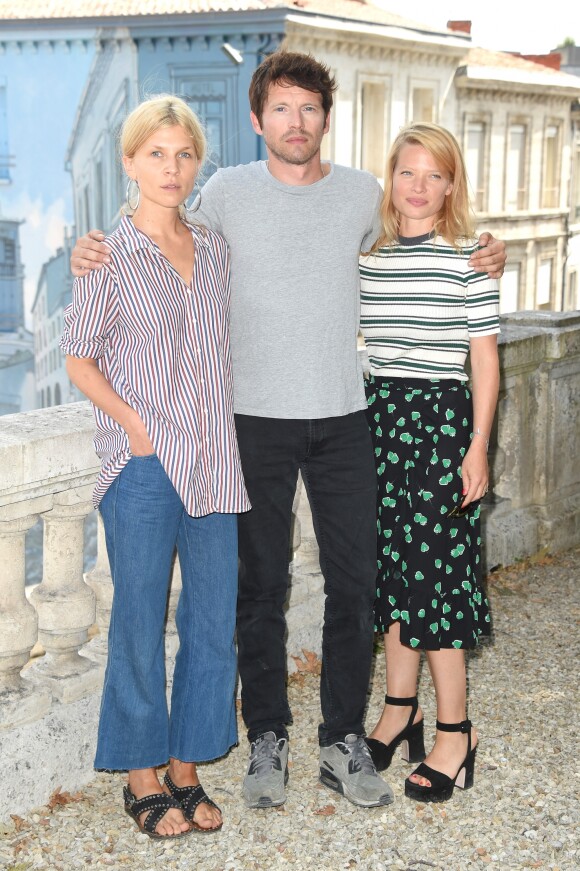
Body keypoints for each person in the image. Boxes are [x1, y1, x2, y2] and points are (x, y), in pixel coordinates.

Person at [69, 52, 506, 810]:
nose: (295, 121)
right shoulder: (226, 194)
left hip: (345, 417)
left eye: (309, 108)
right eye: (281, 108)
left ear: (325, 119)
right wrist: (90, 245)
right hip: (248, 422)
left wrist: (488, 248)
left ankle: (342, 738)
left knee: (358, 585)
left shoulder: (364, 195)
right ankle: (265, 733)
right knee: (259, 589)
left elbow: (423, 218)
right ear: (257, 119)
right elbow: (158, 223)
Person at [60, 95, 250, 838]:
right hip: (142, 468)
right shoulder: (106, 253)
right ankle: (141, 775)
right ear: (131, 162)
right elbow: (79, 359)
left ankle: (187, 767)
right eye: (155, 154)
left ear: (195, 162)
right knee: (138, 620)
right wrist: (136, 425)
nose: (170, 168)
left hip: (214, 460)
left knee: (212, 621)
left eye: (182, 154)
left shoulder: (215, 247)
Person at [360, 122, 499, 803]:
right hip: (380, 423)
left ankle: (456, 732)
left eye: (433, 175)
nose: (419, 186)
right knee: (391, 571)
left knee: (438, 580)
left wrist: (478, 445)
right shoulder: (370, 253)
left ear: (451, 184)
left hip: (443, 426)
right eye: (407, 172)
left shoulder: (471, 254)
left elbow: (484, 358)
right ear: (392, 178)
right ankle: (398, 707)